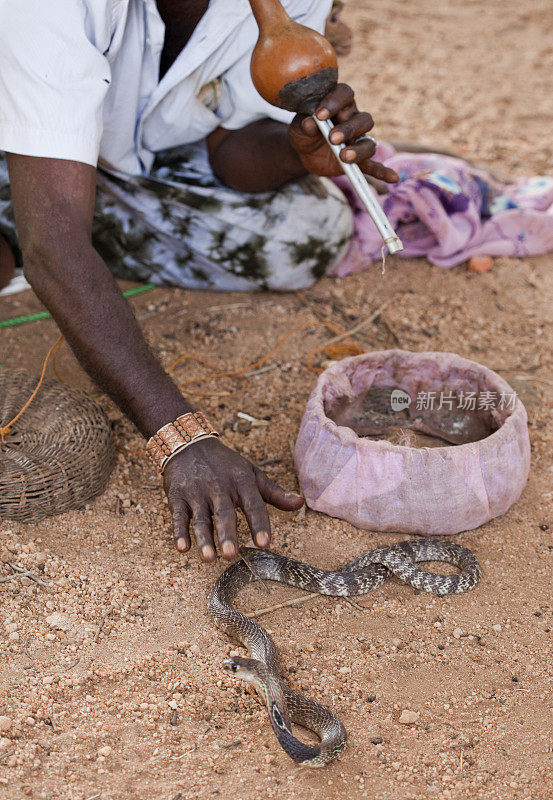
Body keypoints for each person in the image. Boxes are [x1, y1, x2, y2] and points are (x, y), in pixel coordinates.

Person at [0, 0, 398, 563]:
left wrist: (298, 150)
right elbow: (57, 243)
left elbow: (226, 151)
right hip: (14, 139)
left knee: (307, 234)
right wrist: (181, 438)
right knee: (54, 246)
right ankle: (45, 233)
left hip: (120, 163)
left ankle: (45, 228)